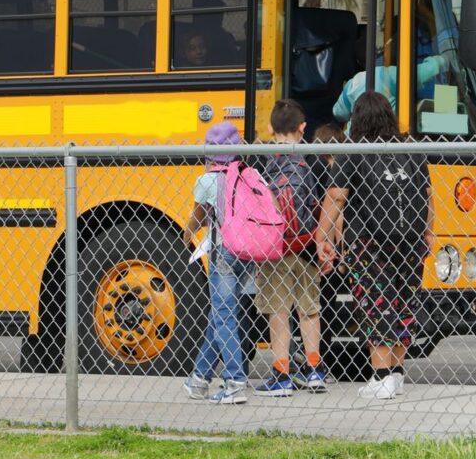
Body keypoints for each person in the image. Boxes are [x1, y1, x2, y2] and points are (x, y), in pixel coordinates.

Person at [316, 92, 433, 399]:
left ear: (357, 118)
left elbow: (337, 196)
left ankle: (380, 377)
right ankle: (396, 374)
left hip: (369, 242)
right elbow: (429, 195)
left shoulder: (354, 151)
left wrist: (322, 235)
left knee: (377, 304)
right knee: (403, 303)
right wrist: (429, 233)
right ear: (389, 115)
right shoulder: (411, 149)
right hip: (410, 240)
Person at [253, 99, 327, 397]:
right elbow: (325, 204)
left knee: (279, 311)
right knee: (309, 310)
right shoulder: (315, 160)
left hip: (274, 248)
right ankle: (314, 370)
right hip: (308, 247)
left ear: (271, 128)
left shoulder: (260, 159)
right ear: (303, 128)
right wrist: (324, 242)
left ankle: (282, 373)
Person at [181, 121, 253, 405]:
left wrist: (187, 232)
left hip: (223, 252)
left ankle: (234, 380)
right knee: (220, 314)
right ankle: (199, 379)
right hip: (247, 253)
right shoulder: (248, 175)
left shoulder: (209, 180)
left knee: (224, 316)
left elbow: (199, 215)